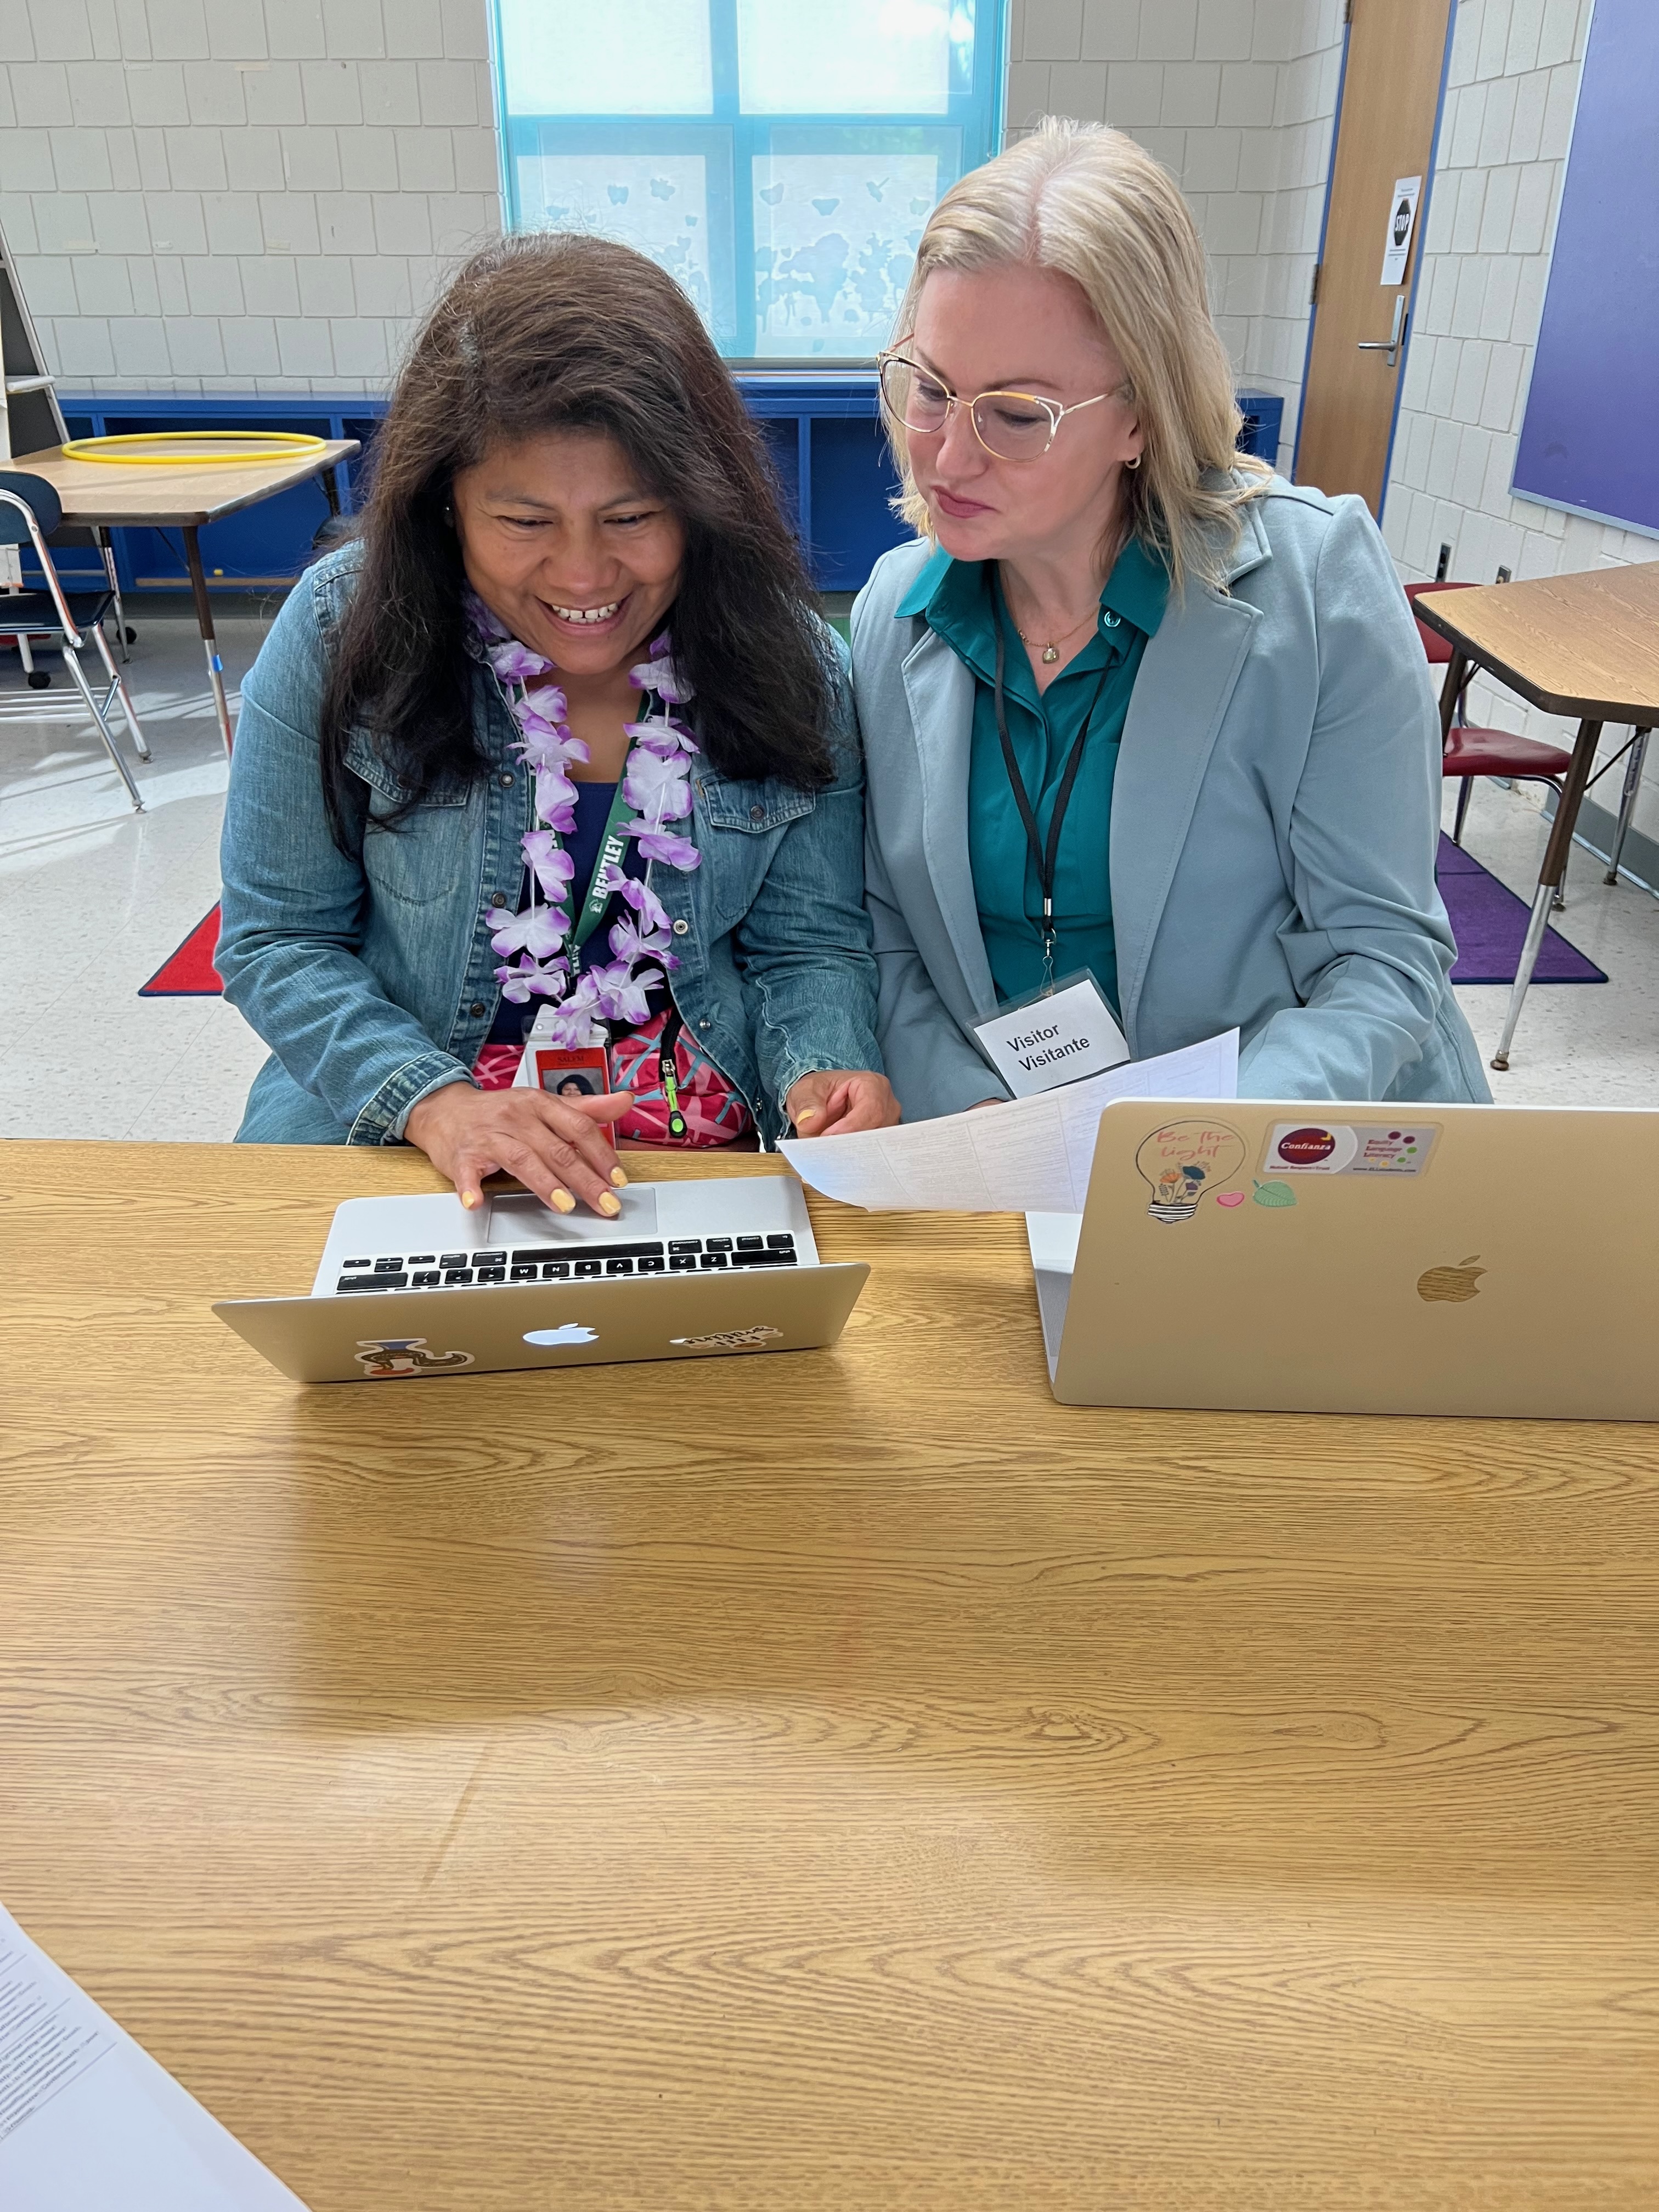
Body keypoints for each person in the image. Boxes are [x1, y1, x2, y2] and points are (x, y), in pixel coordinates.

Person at [219, 234, 898, 1218]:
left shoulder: (792, 659)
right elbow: (278, 938)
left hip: (691, 1140)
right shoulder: (341, 632)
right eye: (525, 522)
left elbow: (808, 945)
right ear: (445, 505)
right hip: (405, 1117)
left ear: (700, 502)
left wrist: (825, 1074)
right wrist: (439, 1102)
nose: (584, 578)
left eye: (632, 518)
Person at [851, 119, 1489, 1119]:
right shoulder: (895, 610)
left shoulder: (1313, 585)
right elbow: (886, 934)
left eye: (1016, 414)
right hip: (1008, 1152)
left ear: (1143, 414)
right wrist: (976, 1118)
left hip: (1282, 1149)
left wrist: (1174, 1159)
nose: (947, 457)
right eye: (930, 389)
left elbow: (1382, 960)